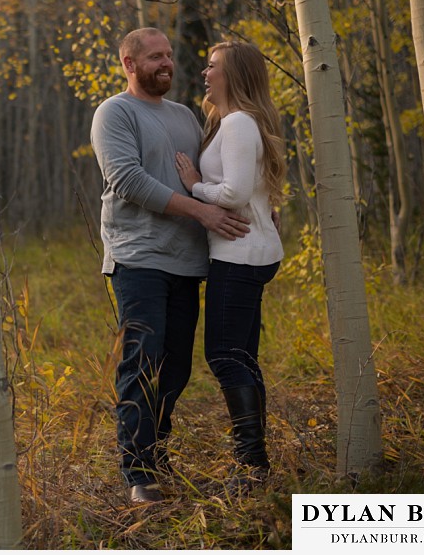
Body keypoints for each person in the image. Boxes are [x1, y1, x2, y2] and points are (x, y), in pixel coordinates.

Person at [90, 27, 251, 504]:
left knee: (176, 368)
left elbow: (218, 175)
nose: (166, 63)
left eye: (169, 56)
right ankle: (137, 473)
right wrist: (200, 211)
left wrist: (255, 205)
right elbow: (128, 181)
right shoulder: (114, 113)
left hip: (188, 262)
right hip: (138, 258)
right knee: (143, 361)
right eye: (154, 56)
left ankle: (157, 454)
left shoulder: (185, 116)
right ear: (129, 63)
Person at [174, 41, 286, 495]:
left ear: (233, 75)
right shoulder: (233, 123)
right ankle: (255, 462)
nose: (205, 72)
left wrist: (195, 187)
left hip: (239, 256)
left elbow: (235, 194)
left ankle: (250, 464)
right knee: (240, 356)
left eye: (213, 66)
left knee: (223, 357)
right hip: (249, 252)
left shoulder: (239, 123)